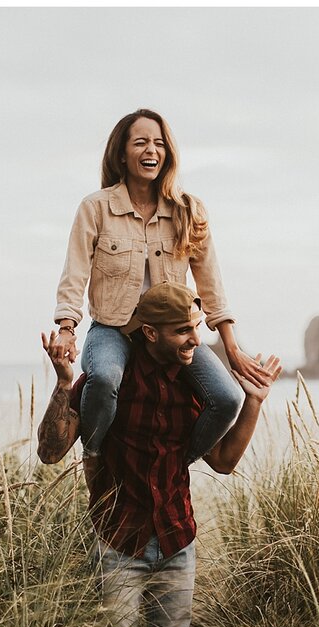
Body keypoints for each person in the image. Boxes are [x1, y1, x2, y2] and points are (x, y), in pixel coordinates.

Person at [38, 282, 282, 627]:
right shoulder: (108, 382)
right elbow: (50, 452)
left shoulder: (194, 388)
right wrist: (64, 382)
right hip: (118, 544)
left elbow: (223, 461)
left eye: (197, 328)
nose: (196, 341)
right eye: (183, 331)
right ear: (150, 333)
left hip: (177, 542)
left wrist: (253, 401)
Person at [52, 108, 270, 463]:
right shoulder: (96, 208)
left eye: (158, 143)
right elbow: (74, 273)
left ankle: (169, 466)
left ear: (168, 153)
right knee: (105, 378)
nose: (151, 150)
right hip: (113, 329)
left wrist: (230, 345)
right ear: (122, 153)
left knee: (228, 398)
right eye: (140, 143)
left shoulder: (189, 210)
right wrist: (66, 328)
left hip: (171, 335)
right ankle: (94, 456)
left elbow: (210, 282)